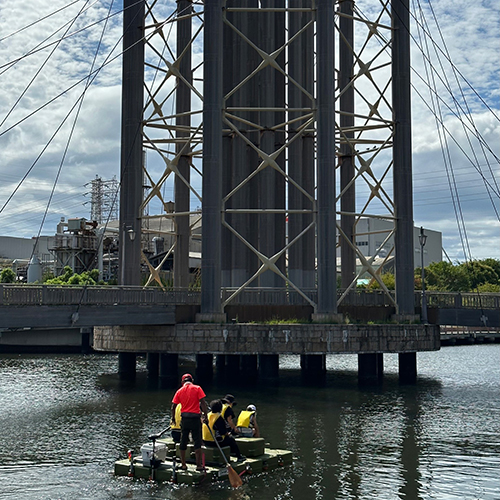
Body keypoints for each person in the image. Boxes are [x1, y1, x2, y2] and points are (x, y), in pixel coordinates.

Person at [171, 373, 209, 471]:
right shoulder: (197, 388)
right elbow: (203, 403)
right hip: (195, 419)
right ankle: (198, 465)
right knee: (197, 441)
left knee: (183, 441)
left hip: (185, 419)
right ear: (192, 380)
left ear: (182, 382)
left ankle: (183, 465)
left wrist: (173, 418)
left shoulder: (179, 391)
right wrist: (205, 416)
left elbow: (173, 407)